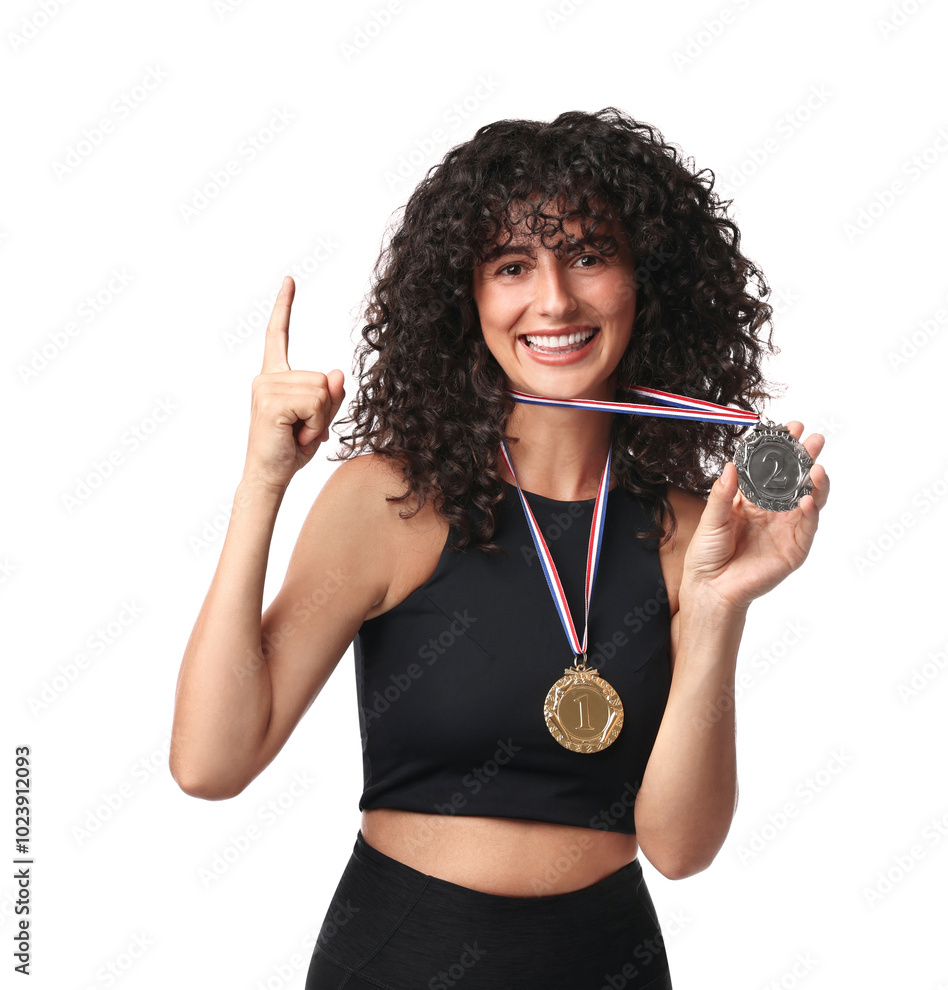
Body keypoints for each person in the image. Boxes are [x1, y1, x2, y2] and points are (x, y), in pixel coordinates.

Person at [169, 107, 830, 989]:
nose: (554, 300)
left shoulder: (692, 536)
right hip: (404, 955)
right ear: (467, 297)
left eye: (589, 255)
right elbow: (210, 763)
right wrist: (261, 484)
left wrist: (717, 605)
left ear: (648, 282)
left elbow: (679, 849)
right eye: (512, 266)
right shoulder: (388, 503)